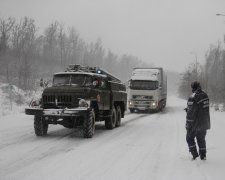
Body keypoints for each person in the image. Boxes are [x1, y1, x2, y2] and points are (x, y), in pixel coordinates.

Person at [185, 81, 210, 160]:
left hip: (195, 123)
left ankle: (194, 155)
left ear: (193, 88)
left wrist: (188, 123)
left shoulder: (193, 97)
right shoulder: (205, 95)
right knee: (201, 139)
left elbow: (191, 112)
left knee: (189, 138)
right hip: (205, 122)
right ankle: (203, 156)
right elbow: (202, 108)